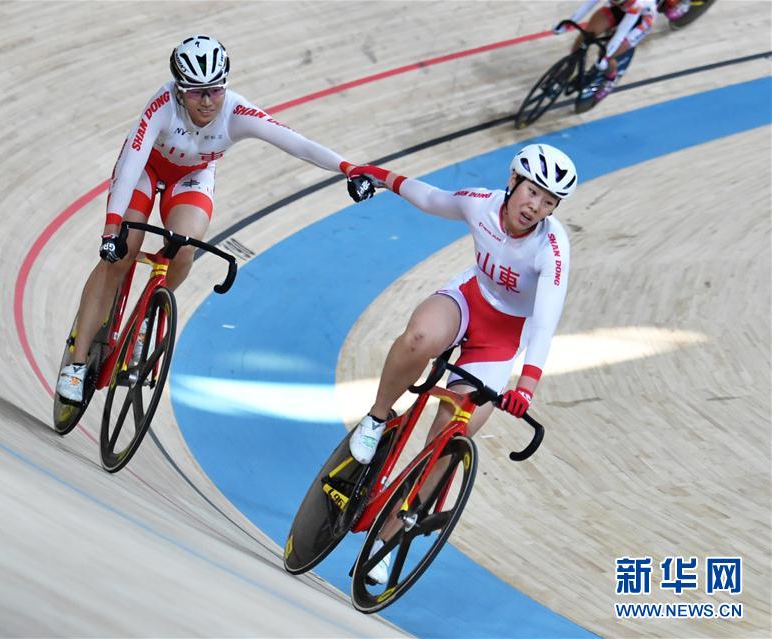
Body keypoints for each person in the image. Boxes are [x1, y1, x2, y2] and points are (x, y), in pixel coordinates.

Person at [57, 35, 358, 402]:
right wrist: (111, 229)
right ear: (179, 90)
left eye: (214, 91)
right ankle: (76, 360)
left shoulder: (236, 112)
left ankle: (145, 323)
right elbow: (130, 163)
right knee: (122, 254)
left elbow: (297, 143)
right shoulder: (162, 106)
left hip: (192, 177)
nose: (207, 101)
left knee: (183, 250)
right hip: (146, 170)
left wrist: (348, 168)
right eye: (196, 92)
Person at [342, 143, 577, 583]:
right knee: (419, 338)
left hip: (501, 341)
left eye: (548, 201)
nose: (536, 206)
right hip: (467, 301)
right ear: (513, 181)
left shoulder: (553, 248)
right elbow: (430, 198)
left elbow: (545, 323)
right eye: (532, 192)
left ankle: (386, 541)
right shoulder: (481, 205)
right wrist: (376, 174)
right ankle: (375, 419)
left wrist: (525, 386)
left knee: (453, 438)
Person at [554, 0, 658, 101]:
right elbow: (587, 5)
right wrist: (568, 24)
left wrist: (606, 56)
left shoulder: (637, 3)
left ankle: (610, 79)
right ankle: (570, 66)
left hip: (639, 21)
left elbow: (621, 33)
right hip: (618, 8)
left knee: (606, 55)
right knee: (585, 36)